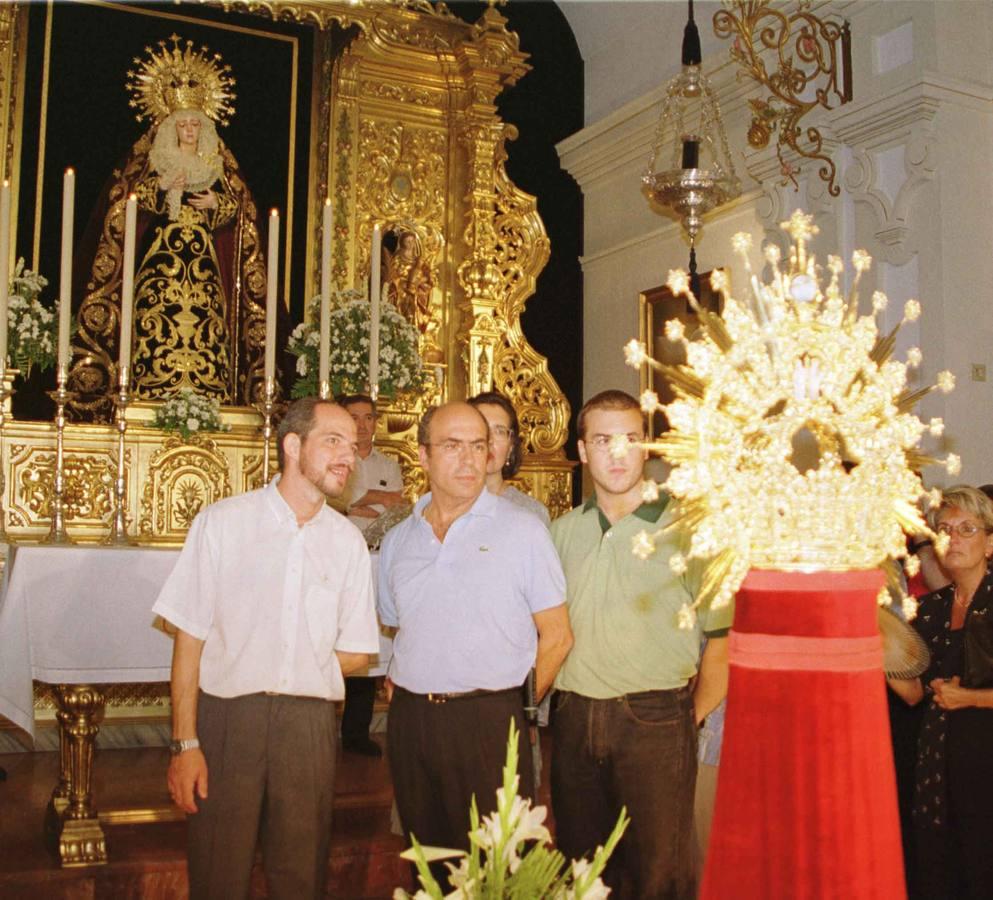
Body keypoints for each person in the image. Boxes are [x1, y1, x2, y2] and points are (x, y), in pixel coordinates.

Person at [152, 397, 380, 900]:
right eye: (334, 441)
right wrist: (185, 743)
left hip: (309, 727)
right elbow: (189, 640)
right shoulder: (223, 524)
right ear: (293, 446)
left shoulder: (347, 544)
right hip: (229, 721)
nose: (350, 453)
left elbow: (358, 652)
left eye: (352, 444)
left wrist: (297, 667)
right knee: (218, 872)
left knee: (301, 876)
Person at [377, 401, 572, 875]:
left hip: (489, 720)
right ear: (423, 456)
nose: (469, 459)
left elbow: (558, 636)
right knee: (428, 867)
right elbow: (398, 622)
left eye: (478, 447)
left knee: (497, 870)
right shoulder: (400, 539)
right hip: (412, 722)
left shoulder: (522, 530)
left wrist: (520, 709)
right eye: (452, 446)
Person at [550, 389, 730, 900]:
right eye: (603, 440)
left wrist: (685, 719)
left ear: (647, 447)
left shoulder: (690, 530)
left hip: (655, 720)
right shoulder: (562, 532)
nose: (618, 453)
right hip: (575, 719)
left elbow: (722, 642)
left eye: (631, 439)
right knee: (581, 869)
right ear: (583, 451)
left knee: (658, 874)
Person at [71, 37, 274, 418]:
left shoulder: (217, 167)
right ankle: (149, 394)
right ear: (171, 125)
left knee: (208, 324)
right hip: (158, 263)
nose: (190, 130)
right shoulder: (153, 160)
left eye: (196, 124)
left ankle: (207, 396)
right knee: (153, 321)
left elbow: (242, 210)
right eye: (183, 124)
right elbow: (122, 203)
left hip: (204, 266)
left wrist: (218, 205)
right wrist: (160, 189)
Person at [889, 485, 993, 900]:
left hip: (985, 777)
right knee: (938, 878)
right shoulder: (931, 608)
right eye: (945, 529)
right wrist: (877, 639)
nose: (954, 539)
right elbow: (914, 693)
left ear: (990, 542)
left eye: (968, 528)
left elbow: (959, 696)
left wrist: (970, 698)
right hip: (937, 776)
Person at [338, 393, 405, 757]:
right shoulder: (338, 458)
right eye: (355, 417)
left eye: (368, 418)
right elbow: (339, 501)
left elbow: (395, 504)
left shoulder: (389, 463)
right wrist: (370, 499)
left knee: (370, 641)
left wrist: (361, 501)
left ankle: (356, 732)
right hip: (343, 557)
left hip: (377, 558)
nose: (363, 425)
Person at [468, 391, 550, 526]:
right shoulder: (445, 507)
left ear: (511, 446)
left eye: (499, 431)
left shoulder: (531, 512)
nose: (490, 440)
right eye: (482, 428)